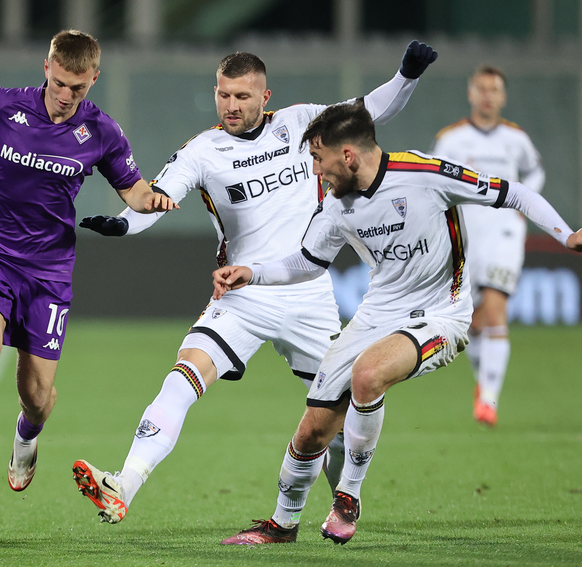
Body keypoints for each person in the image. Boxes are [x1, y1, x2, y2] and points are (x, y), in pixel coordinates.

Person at [71, 41, 438, 541]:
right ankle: (124, 485)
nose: (231, 106)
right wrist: (121, 225)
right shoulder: (204, 151)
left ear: (267, 96)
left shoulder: (304, 123)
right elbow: (159, 197)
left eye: (242, 96)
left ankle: (343, 504)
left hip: (308, 294)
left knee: (333, 418)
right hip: (243, 294)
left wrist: (408, 74)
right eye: (223, 95)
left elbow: (372, 109)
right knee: (182, 378)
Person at [213, 101, 582, 545]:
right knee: (312, 430)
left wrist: (567, 234)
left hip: (441, 314)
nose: (315, 171)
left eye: (317, 158)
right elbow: (308, 262)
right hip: (376, 314)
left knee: (368, 376)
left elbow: (515, 192)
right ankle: (282, 524)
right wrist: (252, 273)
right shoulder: (335, 206)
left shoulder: (425, 174)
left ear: (347, 155)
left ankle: (347, 495)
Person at [0, 30, 176, 493]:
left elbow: (134, 189)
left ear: (94, 79)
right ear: (47, 67)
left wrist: (152, 202)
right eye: (59, 82)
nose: (65, 96)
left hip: (48, 272)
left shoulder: (101, 132)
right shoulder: (6, 106)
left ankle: (27, 435)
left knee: (37, 396)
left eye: (78, 88)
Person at [431, 66, 545, 427]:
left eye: (494, 89)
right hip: (465, 234)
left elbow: (535, 171)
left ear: (502, 96)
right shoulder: (451, 139)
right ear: (470, 93)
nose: (487, 95)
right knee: (474, 321)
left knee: (495, 311)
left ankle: (489, 402)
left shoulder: (516, 139)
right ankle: (484, 385)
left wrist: (524, 206)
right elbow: (434, 178)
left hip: (503, 234)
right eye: (481, 88)